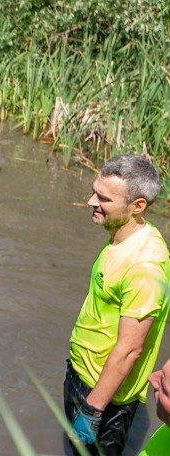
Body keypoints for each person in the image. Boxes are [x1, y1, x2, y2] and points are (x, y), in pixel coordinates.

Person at [64, 154, 170, 456]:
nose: (90, 202)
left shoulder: (145, 266)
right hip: (82, 373)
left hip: (106, 396)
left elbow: (130, 347)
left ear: (138, 206)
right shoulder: (121, 238)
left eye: (103, 198)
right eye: (94, 191)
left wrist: (93, 409)